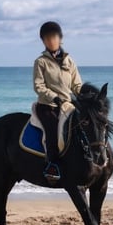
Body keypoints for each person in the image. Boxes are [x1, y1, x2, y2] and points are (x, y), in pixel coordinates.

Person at [33, 21, 83, 182]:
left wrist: (85, 95)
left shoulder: (69, 61)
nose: (50, 41)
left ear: (60, 38)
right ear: (43, 41)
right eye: (46, 38)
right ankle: (52, 165)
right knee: (53, 131)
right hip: (48, 106)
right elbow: (38, 86)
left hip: (67, 106)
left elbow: (76, 85)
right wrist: (54, 97)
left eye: (53, 37)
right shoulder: (41, 62)